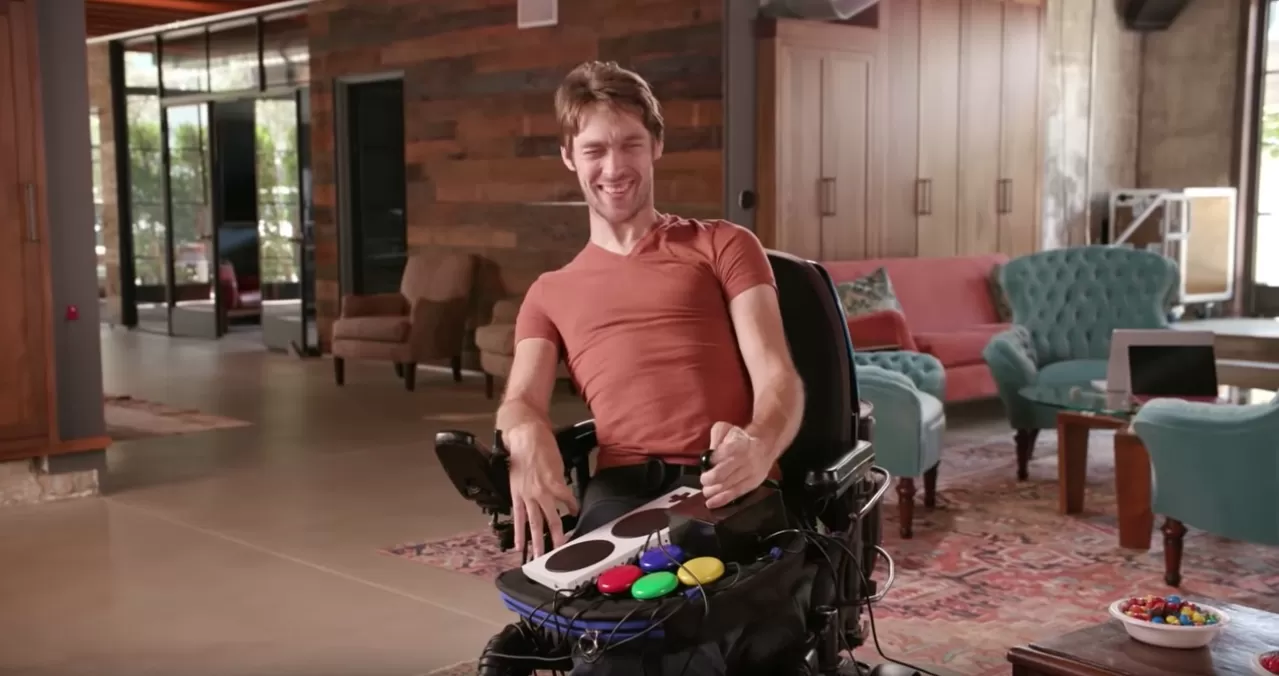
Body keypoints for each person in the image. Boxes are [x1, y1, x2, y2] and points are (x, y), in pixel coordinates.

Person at [493, 60, 806, 675]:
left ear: (656, 146)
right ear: (569, 157)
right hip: (622, 495)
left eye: (631, 144)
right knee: (616, 640)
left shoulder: (722, 245)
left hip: (724, 483)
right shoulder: (549, 291)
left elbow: (780, 378)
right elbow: (520, 398)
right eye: (595, 150)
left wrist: (760, 443)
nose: (614, 168)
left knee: (707, 635)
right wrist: (523, 430)